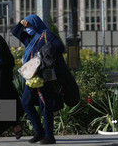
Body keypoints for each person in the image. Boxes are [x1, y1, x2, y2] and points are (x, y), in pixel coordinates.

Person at [12, 14, 79, 144]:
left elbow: (60, 47)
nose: (28, 28)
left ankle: (49, 136)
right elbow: (16, 32)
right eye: (27, 26)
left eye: (30, 25)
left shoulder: (47, 34)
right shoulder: (30, 38)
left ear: (36, 24)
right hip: (32, 77)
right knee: (26, 102)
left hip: (44, 76)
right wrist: (21, 24)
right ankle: (39, 132)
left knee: (45, 105)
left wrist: (44, 52)